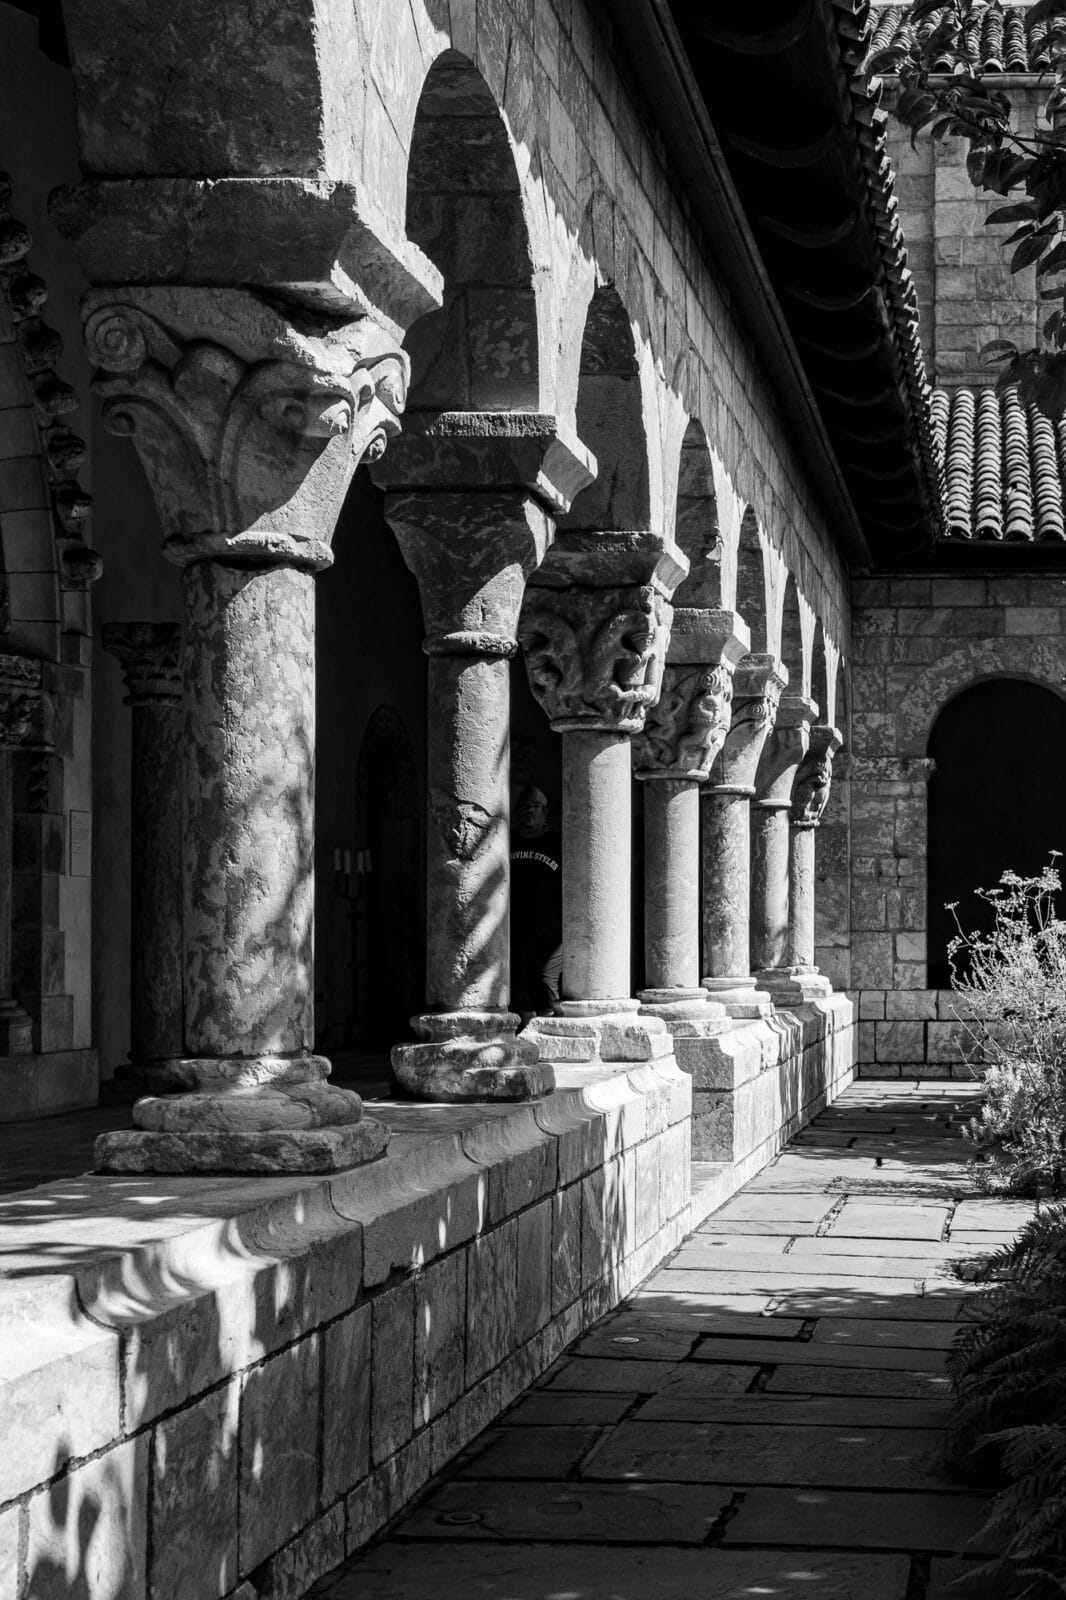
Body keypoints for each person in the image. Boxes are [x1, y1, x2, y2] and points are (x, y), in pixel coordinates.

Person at [510, 785, 563, 1023]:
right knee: (518, 980)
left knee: (544, 979)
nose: (529, 811)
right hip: (514, 927)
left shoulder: (557, 843)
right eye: (524, 807)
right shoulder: (506, 841)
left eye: (535, 807)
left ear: (545, 812)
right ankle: (524, 1031)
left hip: (551, 928)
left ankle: (549, 1025)